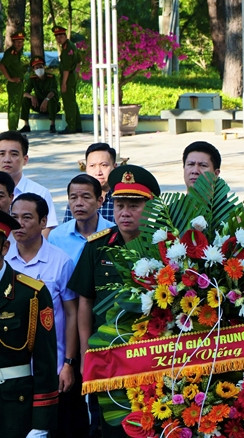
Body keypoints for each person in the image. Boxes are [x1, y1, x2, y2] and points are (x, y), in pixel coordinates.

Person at [68, 164, 160, 438]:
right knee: (109, 426)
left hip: (151, 357)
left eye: (134, 205)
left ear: (150, 207)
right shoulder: (97, 246)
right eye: (119, 204)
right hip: (107, 356)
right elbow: (84, 303)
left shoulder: (164, 246)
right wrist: (87, 355)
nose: (125, 212)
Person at [7, 193, 88, 438]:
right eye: (14, 217)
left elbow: (72, 314)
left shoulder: (59, 262)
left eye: (27, 217)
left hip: (53, 368)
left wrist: (69, 363)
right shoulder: (4, 260)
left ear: (43, 222)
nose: (18, 224)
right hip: (13, 371)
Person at [0, 209, 59, 438]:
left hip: (14, 406)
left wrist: (41, 424)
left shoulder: (31, 294)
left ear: (5, 249)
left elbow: (45, 361)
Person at [0, 131, 58, 236]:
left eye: (14, 154)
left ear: (25, 159)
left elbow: (47, 230)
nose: (7, 159)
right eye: (1, 154)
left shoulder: (40, 193)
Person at [49, 174, 114, 263]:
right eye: (73, 198)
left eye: (86, 197)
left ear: (99, 201)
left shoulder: (114, 234)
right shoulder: (57, 236)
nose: (79, 203)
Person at [63, 143, 117, 223]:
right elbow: (67, 230)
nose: (98, 172)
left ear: (114, 167)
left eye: (104, 165)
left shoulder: (121, 198)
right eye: (92, 166)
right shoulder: (77, 199)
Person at [53, 26, 81, 134]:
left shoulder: (67, 49)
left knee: (68, 102)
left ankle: (71, 126)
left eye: (60, 36)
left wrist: (64, 83)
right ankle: (77, 125)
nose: (58, 38)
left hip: (68, 77)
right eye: (57, 37)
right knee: (72, 101)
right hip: (72, 75)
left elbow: (66, 69)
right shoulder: (72, 46)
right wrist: (77, 73)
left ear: (65, 36)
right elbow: (79, 61)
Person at [21, 56, 60, 133]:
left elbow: (53, 91)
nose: (39, 69)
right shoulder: (32, 79)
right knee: (25, 100)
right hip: (38, 105)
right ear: (33, 69)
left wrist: (46, 100)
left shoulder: (51, 77)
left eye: (41, 67)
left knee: (52, 100)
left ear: (44, 67)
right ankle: (26, 125)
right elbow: (25, 93)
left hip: (51, 106)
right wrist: (32, 97)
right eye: (36, 67)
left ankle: (52, 125)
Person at [0, 32, 26, 131]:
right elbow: (1, 65)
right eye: (17, 42)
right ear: (13, 42)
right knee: (13, 107)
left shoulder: (18, 53)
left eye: (21, 42)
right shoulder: (10, 53)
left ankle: (14, 128)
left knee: (17, 106)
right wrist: (10, 78)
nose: (19, 44)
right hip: (14, 84)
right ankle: (12, 130)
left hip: (19, 83)